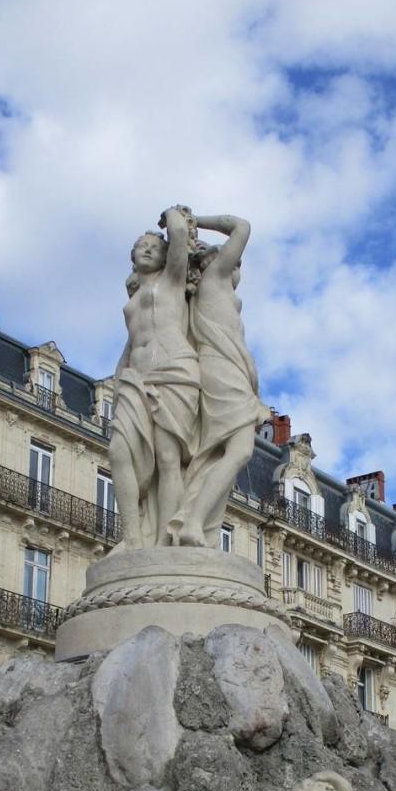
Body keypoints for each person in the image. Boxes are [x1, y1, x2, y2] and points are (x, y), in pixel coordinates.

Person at [168, 213, 268, 547]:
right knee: (239, 451)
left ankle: (200, 524)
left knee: (216, 455)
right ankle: (193, 523)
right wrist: (197, 218)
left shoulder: (209, 291)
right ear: (214, 261)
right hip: (223, 370)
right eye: (232, 260)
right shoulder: (216, 278)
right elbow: (242, 226)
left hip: (224, 369)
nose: (237, 266)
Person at [108, 207, 199, 548]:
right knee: (119, 450)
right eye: (141, 245)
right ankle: (132, 535)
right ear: (132, 257)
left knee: (167, 457)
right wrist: (119, 380)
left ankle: (167, 538)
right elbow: (131, 343)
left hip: (175, 369)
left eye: (153, 246)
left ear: (165, 257)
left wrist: (172, 215)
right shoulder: (133, 298)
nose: (147, 249)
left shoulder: (172, 281)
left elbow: (177, 233)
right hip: (136, 376)